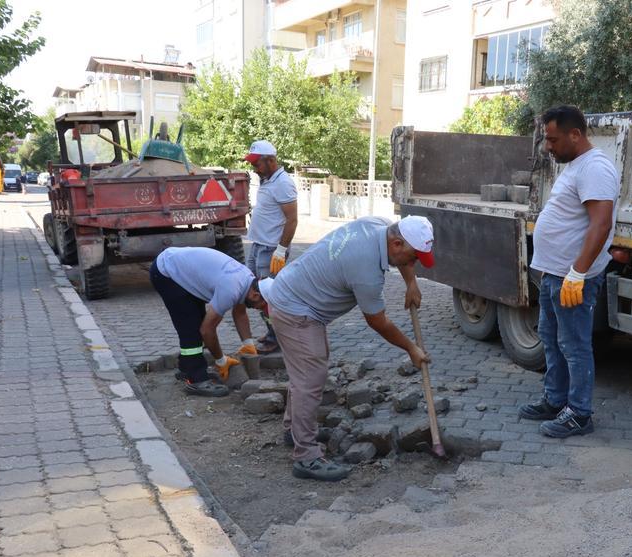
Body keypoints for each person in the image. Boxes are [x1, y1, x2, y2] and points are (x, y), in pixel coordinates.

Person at [259, 216, 435, 481]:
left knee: (307, 375)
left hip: (295, 296)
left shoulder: (378, 225)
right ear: (397, 243)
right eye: (414, 258)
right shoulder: (366, 272)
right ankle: (306, 457)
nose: (415, 263)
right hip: (295, 310)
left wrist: (412, 283)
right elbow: (378, 322)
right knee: (310, 379)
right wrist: (411, 348)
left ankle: (293, 430)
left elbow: (405, 257)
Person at [518, 105, 619, 438]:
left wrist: (578, 272)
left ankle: (579, 413)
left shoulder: (595, 168)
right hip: (554, 274)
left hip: (572, 278)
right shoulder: (575, 164)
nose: (548, 147)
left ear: (575, 135)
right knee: (550, 338)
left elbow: (600, 224)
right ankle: (556, 400)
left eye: (553, 139)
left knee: (574, 345)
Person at [150, 246, 267, 397]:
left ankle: (187, 368)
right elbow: (207, 331)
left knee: (197, 320)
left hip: (181, 269)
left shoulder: (248, 280)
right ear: (256, 295)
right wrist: (221, 360)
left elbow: (240, 312)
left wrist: (248, 344)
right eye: (262, 306)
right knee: (191, 327)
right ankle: (196, 380)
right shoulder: (231, 289)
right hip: (167, 273)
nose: (259, 310)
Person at [243, 140, 298, 354]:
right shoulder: (268, 180)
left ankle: (277, 337)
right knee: (256, 293)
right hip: (259, 245)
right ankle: (271, 331)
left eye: (257, 164)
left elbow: (292, 220)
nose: (254, 168)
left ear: (271, 161)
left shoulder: (283, 183)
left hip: (271, 249)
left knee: (268, 295)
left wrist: (281, 250)